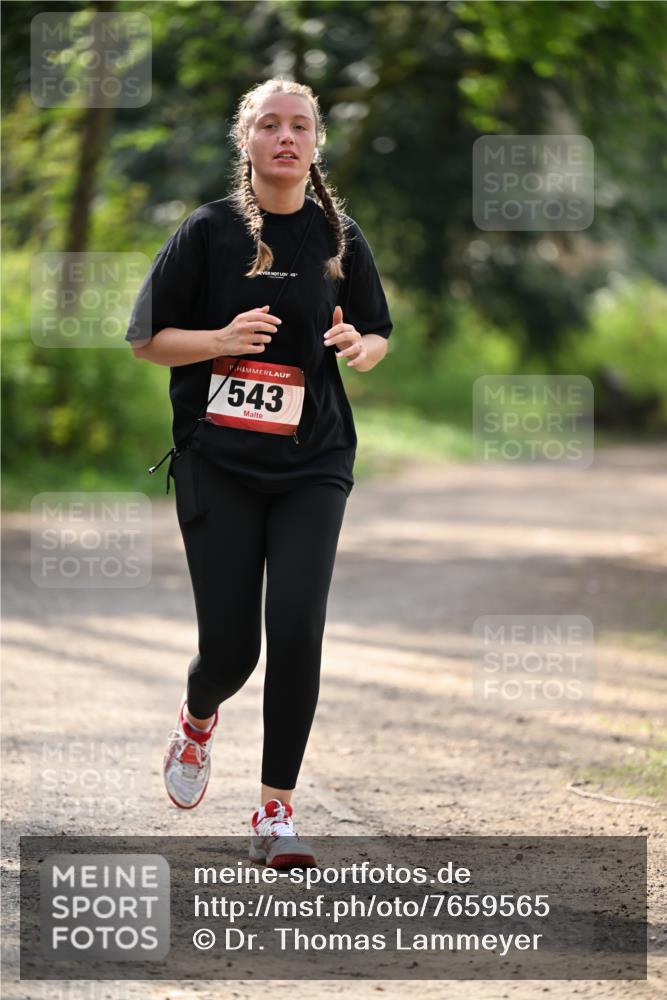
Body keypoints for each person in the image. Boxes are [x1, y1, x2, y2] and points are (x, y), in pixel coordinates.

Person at [125, 78, 393, 869]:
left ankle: (274, 814)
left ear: (315, 144)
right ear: (246, 140)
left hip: (314, 462)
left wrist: (358, 350)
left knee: (299, 628)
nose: (285, 137)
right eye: (269, 125)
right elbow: (145, 339)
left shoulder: (339, 235)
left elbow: (377, 331)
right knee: (233, 649)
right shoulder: (207, 232)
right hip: (220, 463)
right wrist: (221, 338)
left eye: (299, 126)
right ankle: (199, 716)